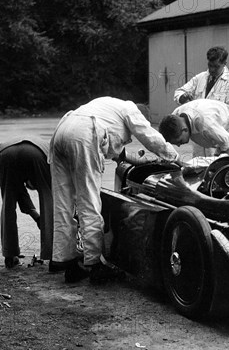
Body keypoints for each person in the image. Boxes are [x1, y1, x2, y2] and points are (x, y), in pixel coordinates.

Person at [49, 97, 181, 283]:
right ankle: (95, 265)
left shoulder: (108, 107)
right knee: (89, 200)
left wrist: (138, 161)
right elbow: (149, 137)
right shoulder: (131, 109)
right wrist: (174, 158)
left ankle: (65, 260)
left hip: (62, 131)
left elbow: (114, 149)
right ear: (141, 115)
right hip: (84, 134)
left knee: (63, 203)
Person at [0, 137, 54, 270]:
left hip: (5, 153)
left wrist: (36, 217)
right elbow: (23, 193)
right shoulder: (52, 160)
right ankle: (52, 255)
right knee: (48, 199)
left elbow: (18, 191)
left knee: (8, 202)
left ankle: (9, 255)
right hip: (37, 153)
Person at [159, 99, 229, 163]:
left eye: (179, 141)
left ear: (184, 129)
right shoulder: (175, 116)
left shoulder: (205, 124)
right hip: (221, 136)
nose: (179, 145)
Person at [174, 46, 229, 111]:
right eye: (210, 65)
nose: (212, 69)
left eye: (216, 66)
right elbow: (178, 93)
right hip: (196, 121)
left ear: (224, 64)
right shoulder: (199, 78)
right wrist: (183, 97)